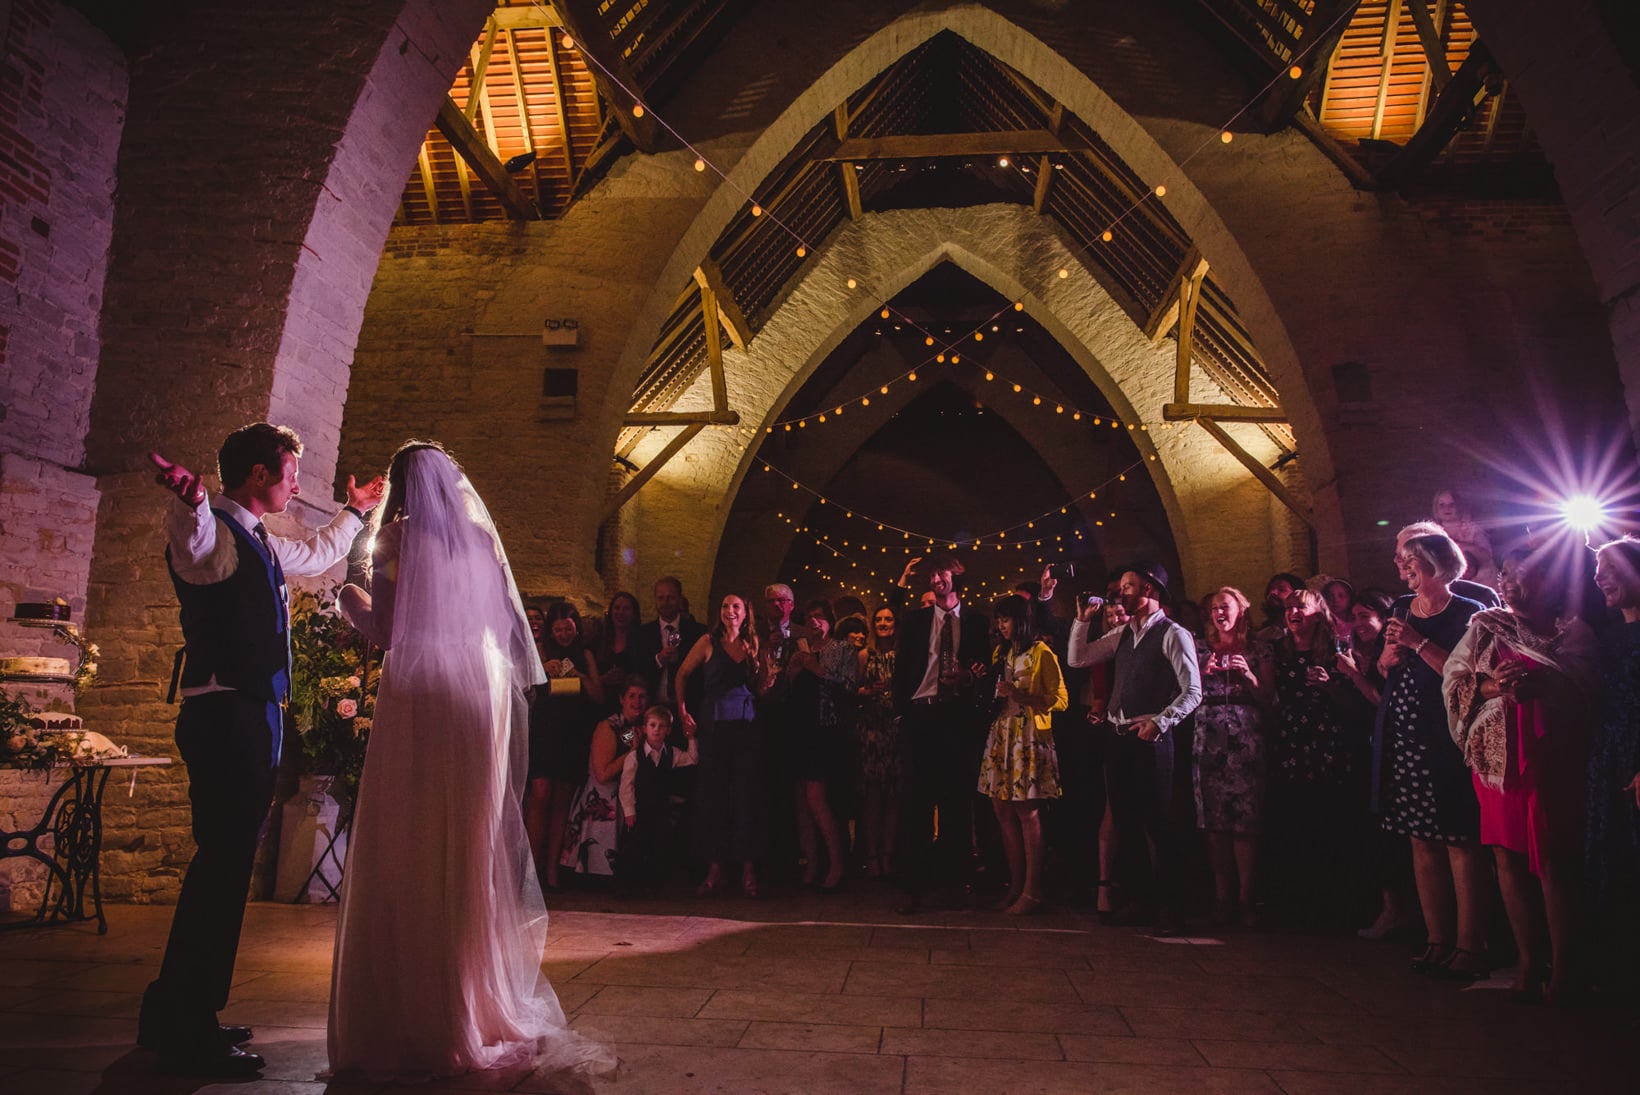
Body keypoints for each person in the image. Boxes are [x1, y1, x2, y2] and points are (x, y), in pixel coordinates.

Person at [328, 441, 609, 1081]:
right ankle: (472, 1000)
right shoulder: (481, 543)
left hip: (420, 698)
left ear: (401, 488)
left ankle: (414, 1010)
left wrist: (350, 599)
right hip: (476, 696)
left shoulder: (395, 539)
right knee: (466, 843)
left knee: (411, 841)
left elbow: (392, 630)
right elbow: (503, 630)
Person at [138, 426, 382, 1077]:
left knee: (223, 871)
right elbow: (194, 546)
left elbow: (316, 553)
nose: (297, 485)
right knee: (220, 871)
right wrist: (189, 499)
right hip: (226, 717)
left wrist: (355, 513)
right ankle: (186, 1027)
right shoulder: (214, 531)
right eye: (290, 474)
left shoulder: (256, 535)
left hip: (249, 717)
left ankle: (179, 1009)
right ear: (255, 475)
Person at [1445, 547, 1597, 1003]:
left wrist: (1540, 686)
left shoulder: (1573, 633)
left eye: (1521, 574)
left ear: (1549, 580)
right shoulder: (1487, 628)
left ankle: (1564, 968)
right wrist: (1494, 684)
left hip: (1549, 760)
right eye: (1506, 574)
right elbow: (1456, 681)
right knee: (1506, 859)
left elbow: (1586, 693)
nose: (1509, 583)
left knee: (1551, 860)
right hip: (1496, 765)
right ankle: (1528, 963)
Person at [1375, 529, 1489, 981]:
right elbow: (1385, 666)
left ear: (1436, 564)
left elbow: (1468, 676)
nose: (1402, 568)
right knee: (1420, 839)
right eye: (1401, 562)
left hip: (1447, 736)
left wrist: (1417, 643)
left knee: (1459, 840)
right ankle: (1436, 939)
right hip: (1405, 736)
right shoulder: (1403, 608)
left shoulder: (1469, 612)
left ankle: (1469, 944)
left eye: (1410, 561)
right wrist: (1389, 656)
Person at [1066, 563, 1202, 929]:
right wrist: (1082, 622)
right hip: (1118, 736)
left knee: (1158, 825)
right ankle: (1141, 901)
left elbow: (1193, 691)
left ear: (1150, 590)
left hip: (1151, 740)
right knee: (1127, 824)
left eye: (1128, 586)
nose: (1120, 592)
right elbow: (1079, 658)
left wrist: (1161, 721)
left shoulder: (1174, 633)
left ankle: (1171, 907)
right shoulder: (1124, 632)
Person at [891, 553, 993, 914]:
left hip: (958, 720)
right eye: (932, 575)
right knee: (914, 805)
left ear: (956, 575)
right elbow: (901, 668)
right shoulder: (916, 621)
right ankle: (910, 886)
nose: (936, 580)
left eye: (942, 573)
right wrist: (901, 714)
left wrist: (969, 678)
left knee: (955, 805)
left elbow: (987, 671)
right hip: (921, 717)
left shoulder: (978, 622)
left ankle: (952, 885)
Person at [1266, 588, 1369, 930]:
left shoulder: (1335, 652)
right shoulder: (1278, 653)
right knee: (1295, 822)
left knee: (1329, 821)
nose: (1293, 612)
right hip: (1291, 743)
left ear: (1317, 613)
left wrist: (1329, 686)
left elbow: (1356, 706)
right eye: (1288, 607)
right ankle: (1298, 905)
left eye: (1300, 606)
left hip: (1327, 744)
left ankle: (1334, 907)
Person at [978, 595, 1069, 914]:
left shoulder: (1041, 652)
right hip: (1002, 733)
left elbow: (1061, 699)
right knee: (1001, 810)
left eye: (1007, 618)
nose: (1001, 625)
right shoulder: (1001, 652)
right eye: (998, 619)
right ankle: (1015, 885)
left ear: (1022, 619)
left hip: (1028, 735)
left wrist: (1022, 695)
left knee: (1027, 812)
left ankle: (1033, 889)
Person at [1335, 588, 1415, 941]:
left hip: (1386, 746)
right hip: (1356, 748)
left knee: (1389, 833)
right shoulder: (1358, 652)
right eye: (1353, 617)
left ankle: (1396, 911)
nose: (1357, 624)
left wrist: (1354, 675)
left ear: (1382, 619)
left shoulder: (1391, 652)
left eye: (1364, 616)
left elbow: (1382, 699)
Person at [1192, 586, 1274, 927]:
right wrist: (1202, 673)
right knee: (1214, 822)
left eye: (1224, 606)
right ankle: (1221, 897)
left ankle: (1246, 898)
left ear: (1241, 609)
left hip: (1245, 739)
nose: (1218, 613)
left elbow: (1269, 698)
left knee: (1245, 822)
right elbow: (1185, 693)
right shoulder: (1199, 649)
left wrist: (1249, 676)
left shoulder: (1259, 648)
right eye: (1213, 608)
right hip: (1208, 737)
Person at [677, 593, 766, 897]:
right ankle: (715, 868)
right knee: (713, 796)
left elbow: (761, 684)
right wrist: (682, 710)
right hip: (714, 723)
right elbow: (682, 674)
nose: (730, 610)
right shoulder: (707, 642)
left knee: (745, 796)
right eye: (726, 606)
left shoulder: (751, 643)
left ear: (745, 613)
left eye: (736, 606)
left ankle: (748, 869)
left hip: (745, 724)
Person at [1586, 536, 1640, 992]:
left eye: (1608, 566)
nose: (1599, 576)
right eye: (1596, 568)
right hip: (1610, 754)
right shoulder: (1609, 634)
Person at [527, 602, 604, 891]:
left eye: (568, 629)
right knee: (540, 793)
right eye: (558, 629)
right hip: (545, 730)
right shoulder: (541, 652)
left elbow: (598, 695)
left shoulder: (584, 655)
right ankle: (531, 867)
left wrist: (580, 676)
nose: (562, 634)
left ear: (576, 628)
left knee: (561, 800)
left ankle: (552, 871)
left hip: (572, 731)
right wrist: (542, 669)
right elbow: (523, 684)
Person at [787, 603, 855, 890]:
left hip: (825, 729)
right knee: (801, 800)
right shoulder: (799, 648)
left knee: (817, 797)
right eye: (809, 618)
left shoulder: (842, 648)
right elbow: (787, 688)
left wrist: (818, 670)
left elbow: (850, 686)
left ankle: (838, 863)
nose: (814, 622)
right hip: (799, 728)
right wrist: (793, 668)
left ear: (829, 620)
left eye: (819, 617)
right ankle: (812, 863)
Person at [560, 678, 647, 880]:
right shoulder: (608, 727)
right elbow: (603, 774)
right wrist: (634, 751)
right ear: (622, 700)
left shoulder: (646, 727)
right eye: (632, 696)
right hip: (603, 799)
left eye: (642, 697)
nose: (637, 701)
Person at [619, 705, 700, 892]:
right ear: (645, 727)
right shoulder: (635, 755)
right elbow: (626, 786)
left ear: (668, 730)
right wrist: (630, 812)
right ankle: (631, 886)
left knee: (658, 847)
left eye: (662, 726)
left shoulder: (670, 753)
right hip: (640, 812)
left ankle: (654, 884)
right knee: (635, 848)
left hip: (660, 811)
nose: (657, 729)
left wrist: (691, 738)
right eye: (653, 725)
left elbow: (692, 759)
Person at [855, 605, 900, 879]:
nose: (883, 623)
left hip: (895, 728)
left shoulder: (903, 653)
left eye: (889, 618)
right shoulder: (864, 654)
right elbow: (852, 688)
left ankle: (889, 855)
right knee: (873, 796)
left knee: (894, 796)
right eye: (879, 619)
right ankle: (872, 856)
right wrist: (868, 690)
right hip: (872, 729)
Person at [637, 577, 707, 717]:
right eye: (661, 598)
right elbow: (637, 668)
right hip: (652, 710)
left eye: (670, 598)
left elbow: (702, 673)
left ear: (679, 599)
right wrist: (658, 659)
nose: (665, 603)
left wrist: (680, 659)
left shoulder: (698, 632)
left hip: (688, 710)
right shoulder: (642, 633)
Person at [1433, 489, 1497, 588]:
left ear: (1459, 507)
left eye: (1452, 505)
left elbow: (1486, 555)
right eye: (1442, 505)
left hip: (1479, 580)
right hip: (1449, 581)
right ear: (1436, 509)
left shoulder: (1472, 529)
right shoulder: (1434, 532)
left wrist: (1462, 546)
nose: (1447, 508)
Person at [594, 591, 645, 708]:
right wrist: (603, 679)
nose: (620, 612)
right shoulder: (598, 640)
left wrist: (627, 678)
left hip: (632, 706)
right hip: (602, 703)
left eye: (626, 609)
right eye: (617, 608)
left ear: (634, 613)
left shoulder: (642, 641)